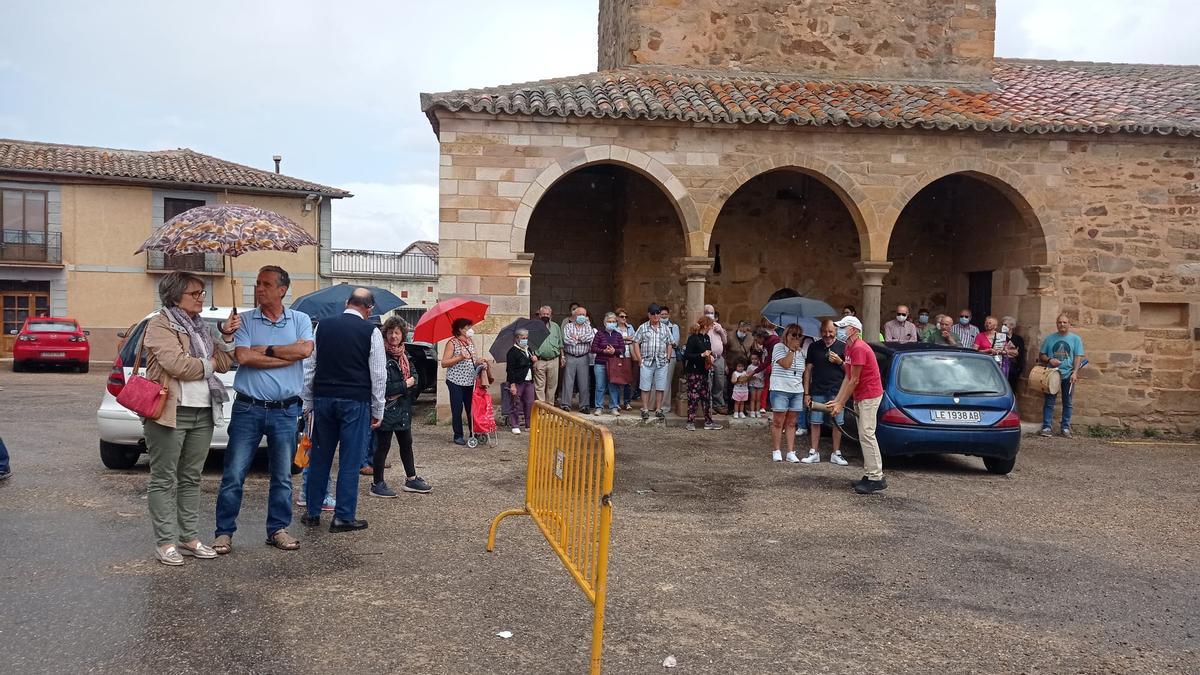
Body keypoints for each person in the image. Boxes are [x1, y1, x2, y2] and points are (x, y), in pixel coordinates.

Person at [214, 265, 312, 554]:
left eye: (266, 284)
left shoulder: (300, 319)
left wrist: (265, 350)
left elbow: (304, 351)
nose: (258, 289)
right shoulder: (243, 321)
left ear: (282, 290)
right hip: (249, 409)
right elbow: (243, 356)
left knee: (282, 475)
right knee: (234, 473)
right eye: (257, 283)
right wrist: (285, 355)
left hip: (285, 411)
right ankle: (224, 532)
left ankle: (277, 529)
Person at [141, 271, 237, 565]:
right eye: (194, 293)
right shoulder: (159, 325)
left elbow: (222, 362)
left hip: (203, 411)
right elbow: (176, 365)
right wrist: (206, 363)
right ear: (175, 296)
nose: (201, 298)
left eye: (202, 293)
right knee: (163, 478)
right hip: (169, 412)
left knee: (191, 478)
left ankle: (189, 537)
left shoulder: (202, 328)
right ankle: (165, 541)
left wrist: (227, 336)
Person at [301, 288, 385, 532]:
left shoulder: (322, 326)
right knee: (349, 460)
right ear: (369, 309)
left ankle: (313, 512)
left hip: (323, 399)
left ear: (347, 303)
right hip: (355, 401)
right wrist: (378, 408)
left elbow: (310, 366)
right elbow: (378, 374)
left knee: (320, 458)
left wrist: (307, 401)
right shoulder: (371, 332)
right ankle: (343, 516)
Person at [370, 317, 431, 498]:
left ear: (402, 335)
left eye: (397, 332)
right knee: (383, 446)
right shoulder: (381, 356)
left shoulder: (405, 355)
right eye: (390, 332)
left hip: (403, 407)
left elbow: (416, 378)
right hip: (387, 408)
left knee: (407, 443)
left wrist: (405, 388)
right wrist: (405, 385)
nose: (394, 336)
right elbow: (384, 386)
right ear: (385, 334)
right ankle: (377, 483)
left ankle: (411, 479)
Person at [827, 316, 887, 494]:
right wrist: (838, 400)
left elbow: (854, 380)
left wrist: (841, 403)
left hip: (869, 394)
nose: (839, 330)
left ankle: (876, 477)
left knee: (867, 434)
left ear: (852, 329)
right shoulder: (850, 347)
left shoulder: (859, 348)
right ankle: (870, 474)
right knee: (865, 434)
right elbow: (848, 376)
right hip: (863, 395)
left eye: (842, 327)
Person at [802, 319, 849, 466]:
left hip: (837, 391)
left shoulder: (843, 347)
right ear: (820, 332)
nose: (827, 335)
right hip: (818, 389)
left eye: (830, 332)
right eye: (825, 332)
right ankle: (813, 452)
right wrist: (806, 393)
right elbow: (808, 370)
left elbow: (851, 371)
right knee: (815, 421)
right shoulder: (814, 347)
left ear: (835, 332)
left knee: (837, 423)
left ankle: (836, 453)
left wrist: (839, 362)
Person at [1038, 314, 1085, 438]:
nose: (1062, 324)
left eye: (1065, 322)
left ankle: (1065, 428)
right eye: (1060, 322)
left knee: (1067, 402)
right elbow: (1041, 355)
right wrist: (1049, 360)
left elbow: (1078, 357)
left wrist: (1075, 372)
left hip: (1068, 374)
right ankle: (1047, 427)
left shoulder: (1076, 339)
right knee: (1049, 402)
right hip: (1052, 374)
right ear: (1056, 324)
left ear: (1069, 324)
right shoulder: (1049, 339)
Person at [441, 317, 483, 445]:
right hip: (455, 381)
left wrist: (479, 362)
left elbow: (473, 359)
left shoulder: (470, 341)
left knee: (471, 409)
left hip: (470, 381)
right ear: (460, 329)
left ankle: (473, 433)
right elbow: (444, 363)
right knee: (457, 408)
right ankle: (458, 435)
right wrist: (459, 357)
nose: (470, 330)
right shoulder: (452, 343)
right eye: (467, 327)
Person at [768, 324, 807, 462]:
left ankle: (790, 451)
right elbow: (785, 364)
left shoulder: (802, 352)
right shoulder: (778, 347)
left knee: (792, 423)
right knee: (778, 421)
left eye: (799, 335)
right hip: (780, 389)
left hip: (796, 390)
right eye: (793, 334)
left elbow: (803, 372)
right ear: (786, 335)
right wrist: (791, 349)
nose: (796, 338)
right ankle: (776, 450)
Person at [632, 303, 673, 420]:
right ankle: (645, 409)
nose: (656, 316)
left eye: (657, 313)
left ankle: (658, 409)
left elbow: (670, 343)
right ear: (649, 315)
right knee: (645, 386)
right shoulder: (643, 327)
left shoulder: (665, 328)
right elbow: (636, 342)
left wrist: (668, 358)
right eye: (653, 313)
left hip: (661, 361)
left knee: (660, 386)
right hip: (647, 361)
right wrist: (639, 359)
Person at [682, 316, 723, 431]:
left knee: (706, 397)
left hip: (704, 371)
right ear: (706, 326)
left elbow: (708, 351)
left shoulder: (706, 338)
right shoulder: (693, 338)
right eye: (710, 325)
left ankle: (709, 422)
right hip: (694, 372)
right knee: (693, 397)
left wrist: (710, 357)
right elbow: (687, 355)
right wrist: (701, 355)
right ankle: (690, 422)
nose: (711, 327)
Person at [560, 306, 596, 413]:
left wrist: (577, 338)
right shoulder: (568, 326)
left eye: (583, 315)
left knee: (584, 382)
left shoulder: (588, 327)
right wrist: (580, 339)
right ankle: (566, 404)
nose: (582, 317)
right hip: (570, 356)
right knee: (568, 381)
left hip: (584, 357)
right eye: (579, 314)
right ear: (574, 316)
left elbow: (590, 337)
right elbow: (566, 339)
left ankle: (584, 406)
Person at [591, 312, 625, 416]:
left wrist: (614, 351)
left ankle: (614, 407)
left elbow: (622, 349)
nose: (612, 323)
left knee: (613, 386)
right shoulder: (599, 334)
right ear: (605, 323)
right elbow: (593, 348)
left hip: (614, 364)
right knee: (600, 386)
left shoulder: (618, 335)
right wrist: (604, 351)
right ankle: (599, 407)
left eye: (614, 321)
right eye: (609, 321)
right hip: (600, 363)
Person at [506, 327, 537, 434]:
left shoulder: (528, 349)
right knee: (515, 402)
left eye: (526, 338)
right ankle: (515, 424)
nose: (525, 339)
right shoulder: (512, 351)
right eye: (522, 338)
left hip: (529, 380)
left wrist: (534, 360)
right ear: (517, 338)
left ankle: (529, 424)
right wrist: (512, 384)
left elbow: (529, 364)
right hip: (517, 381)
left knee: (529, 403)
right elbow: (510, 370)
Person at [532, 305, 562, 407]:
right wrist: (533, 355)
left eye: (547, 314)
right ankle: (541, 407)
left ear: (551, 315)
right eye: (543, 314)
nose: (545, 316)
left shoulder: (556, 327)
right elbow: (529, 343)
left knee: (552, 385)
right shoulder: (534, 327)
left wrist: (562, 357)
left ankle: (549, 407)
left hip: (554, 360)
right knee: (539, 385)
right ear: (539, 315)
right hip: (540, 360)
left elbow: (560, 343)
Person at [703, 304, 728, 414]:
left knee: (719, 382)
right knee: (708, 383)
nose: (709, 314)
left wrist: (721, 331)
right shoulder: (702, 325)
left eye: (711, 312)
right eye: (707, 312)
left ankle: (718, 404)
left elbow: (725, 341)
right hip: (708, 357)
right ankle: (709, 406)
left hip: (719, 358)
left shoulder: (718, 325)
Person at [658, 305, 681, 408]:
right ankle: (655, 405)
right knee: (656, 381)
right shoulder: (656, 326)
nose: (664, 316)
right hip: (657, 356)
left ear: (669, 315)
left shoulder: (674, 327)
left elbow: (675, 342)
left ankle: (665, 406)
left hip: (671, 356)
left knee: (666, 382)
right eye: (662, 314)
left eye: (665, 314)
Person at [615, 307, 637, 410]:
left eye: (625, 316)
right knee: (618, 380)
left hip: (628, 355)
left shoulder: (630, 327)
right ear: (617, 318)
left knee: (628, 380)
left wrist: (623, 340)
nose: (624, 318)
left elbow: (634, 338)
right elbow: (615, 340)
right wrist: (626, 339)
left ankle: (627, 402)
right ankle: (617, 402)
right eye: (622, 316)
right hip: (617, 356)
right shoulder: (614, 328)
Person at [1001, 316, 1026, 395]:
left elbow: (1020, 353)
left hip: (1013, 367)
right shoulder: (999, 336)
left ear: (1011, 326)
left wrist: (1020, 368)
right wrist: (1010, 352)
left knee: (1012, 389)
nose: (1003, 327)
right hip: (1002, 366)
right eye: (1002, 324)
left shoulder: (1018, 339)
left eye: (1005, 325)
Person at [747, 351, 766, 418]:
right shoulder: (749, 367)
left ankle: (757, 411)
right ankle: (752, 411)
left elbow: (763, 375)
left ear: (758, 359)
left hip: (760, 385)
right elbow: (747, 376)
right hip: (752, 384)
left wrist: (759, 378)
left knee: (758, 399)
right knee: (753, 398)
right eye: (752, 359)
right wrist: (751, 377)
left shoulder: (762, 366)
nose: (754, 360)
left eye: (755, 359)